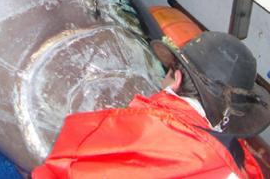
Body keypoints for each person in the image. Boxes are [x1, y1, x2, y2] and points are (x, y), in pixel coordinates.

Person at [33, 31, 270, 178]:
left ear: (176, 79)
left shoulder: (134, 133)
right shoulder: (244, 166)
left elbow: (57, 170)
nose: (161, 79)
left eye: (167, 72)